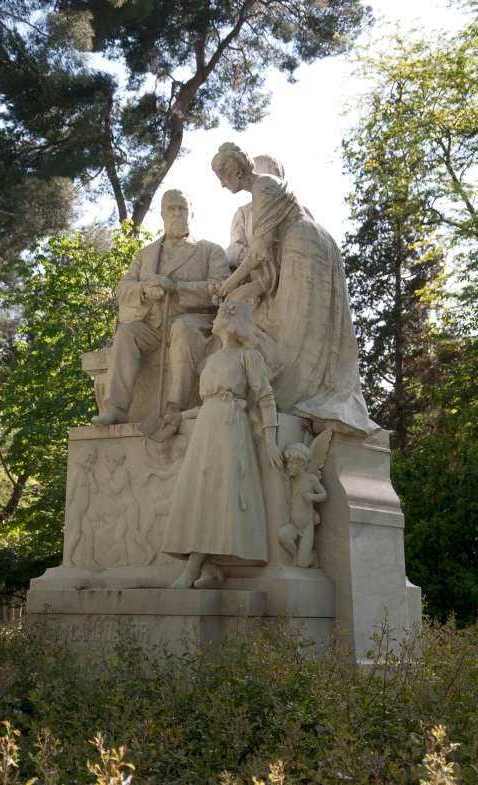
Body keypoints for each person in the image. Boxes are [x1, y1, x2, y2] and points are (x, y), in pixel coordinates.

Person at [211, 142, 378, 438]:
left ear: (235, 170)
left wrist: (230, 282)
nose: (222, 186)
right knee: (305, 324)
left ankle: (301, 392)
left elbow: (260, 249)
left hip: (303, 246)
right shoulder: (263, 189)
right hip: (309, 242)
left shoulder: (263, 186)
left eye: (223, 178)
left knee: (298, 325)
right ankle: (311, 389)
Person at [161, 300, 284, 590]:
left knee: (215, 496)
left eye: (218, 315)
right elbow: (207, 403)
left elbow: (265, 397)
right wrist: (178, 416)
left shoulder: (247, 355)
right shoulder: (212, 360)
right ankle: (208, 566)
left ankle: (192, 570)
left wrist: (270, 442)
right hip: (206, 426)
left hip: (230, 427)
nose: (213, 319)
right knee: (196, 496)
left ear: (230, 322)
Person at [92, 189, 230, 426]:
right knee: (126, 334)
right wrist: (145, 289)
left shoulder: (210, 250)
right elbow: (122, 288)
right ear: (162, 214)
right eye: (171, 208)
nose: (177, 213)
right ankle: (116, 408)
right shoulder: (145, 254)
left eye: (182, 208)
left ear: (192, 213)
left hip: (193, 321)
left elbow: (219, 289)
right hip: (153, 325)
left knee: (181, 328)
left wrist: (176, 288)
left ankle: (174, 407)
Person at [226, 155, 314, 270]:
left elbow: (310, 246)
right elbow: (233, 250)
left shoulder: (301, 210)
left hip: (293, 270)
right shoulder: (243, 213)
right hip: (258, 274)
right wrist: (259, 258)